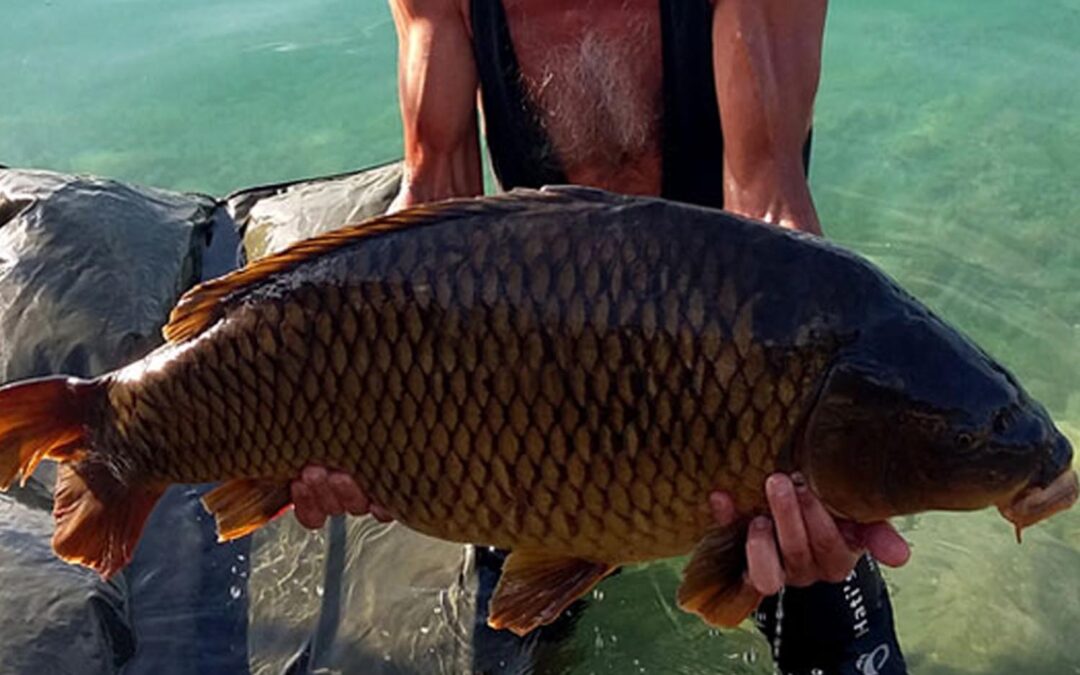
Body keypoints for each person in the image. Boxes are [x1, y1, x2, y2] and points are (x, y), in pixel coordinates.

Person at [292, 0, 912, 672]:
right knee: (506, 650)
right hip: (534, 399)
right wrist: (358, 419)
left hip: (730, 396)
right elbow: (436, 208)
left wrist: (812, 463)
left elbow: (770, 216)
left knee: (842, 634)